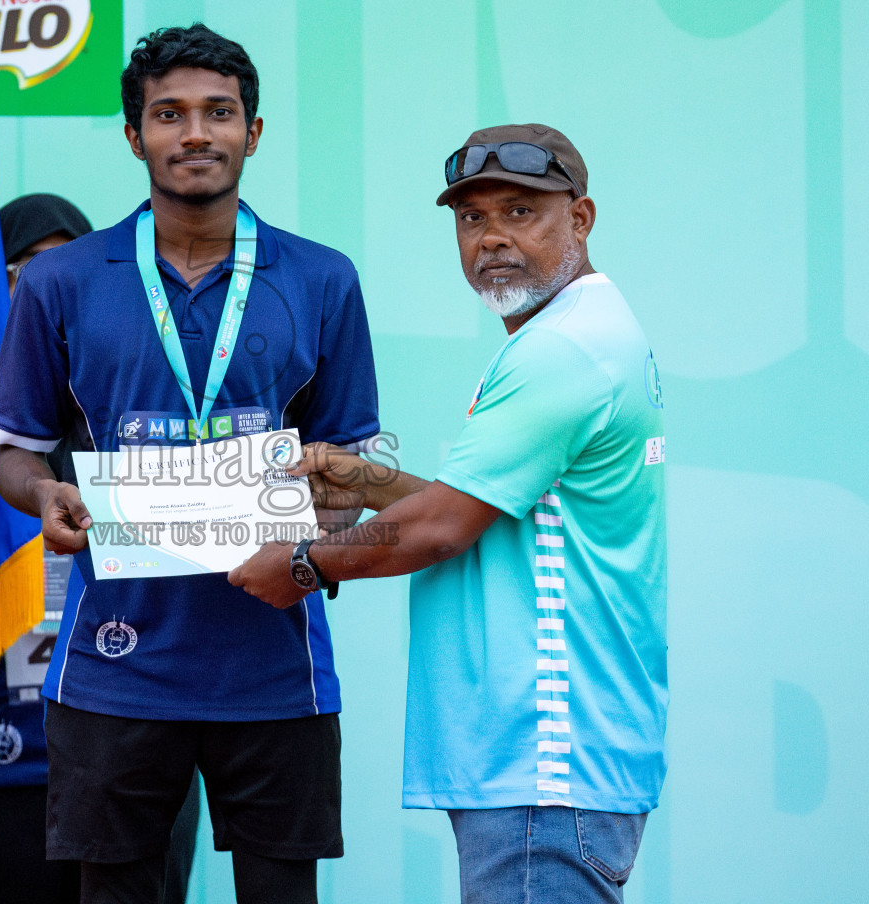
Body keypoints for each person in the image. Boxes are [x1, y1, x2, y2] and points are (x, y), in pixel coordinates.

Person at [0, 24, 380, 904]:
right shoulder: (63, 283)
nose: (195, 133)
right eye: (170, 114)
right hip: (114, 660)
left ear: (254, 131)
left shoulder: (321, 280)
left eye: (219, 113)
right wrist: (43, 491)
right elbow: (12, 451)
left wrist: (334, 500)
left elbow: (356, 461)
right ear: (135, 137)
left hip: (277, 667)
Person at [231, 124, 667, 904]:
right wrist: (360, 477)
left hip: (545, 762)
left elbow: (440, 530)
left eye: (520, 211)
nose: (493, 238)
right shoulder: (584, 334)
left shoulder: (561, 352)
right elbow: (484, 510)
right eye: (472, 218)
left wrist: (303, 565)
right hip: (548, 763)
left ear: (581, 217)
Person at [0, 193, 200, 904]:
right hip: (2, 761)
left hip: (141, 744)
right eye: (24, 273)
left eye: (66, 275)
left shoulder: (152, 408)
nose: (47, 293)